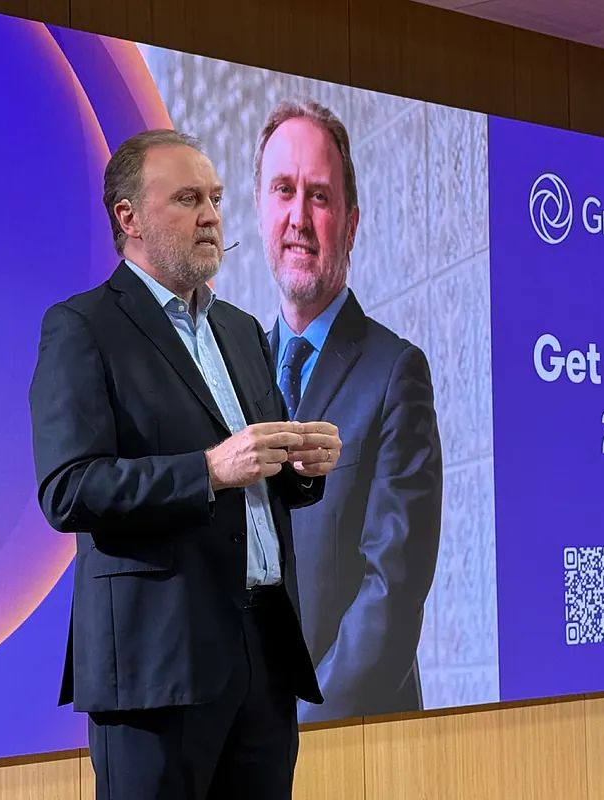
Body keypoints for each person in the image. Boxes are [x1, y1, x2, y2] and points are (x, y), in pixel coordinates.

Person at [29, 128, 342, 799]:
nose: (210, 217)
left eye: (216, 200)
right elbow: (69, 488)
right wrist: (208, 470)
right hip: (158, 664)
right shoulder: (83, 327)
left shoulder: (241, 330)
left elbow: (259, 475)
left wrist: (301, 467)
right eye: (188, 199)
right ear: (129, 217)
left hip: (262, 651)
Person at [252, 99, 443, 721]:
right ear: (260, 210)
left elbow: (392, 591)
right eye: (284, 191)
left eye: (320, 197)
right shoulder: (235, 373)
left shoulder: (395, 373)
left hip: (356, 742)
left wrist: (300, 724)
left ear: (351, 225)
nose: (299, 218)